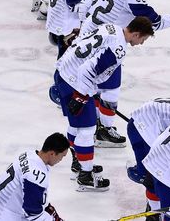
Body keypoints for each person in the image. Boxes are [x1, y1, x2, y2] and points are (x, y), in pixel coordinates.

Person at [78, 0, 170, 147]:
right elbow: (152, 22)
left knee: (95, 83)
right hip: (107, 43)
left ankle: (94, 121)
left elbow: (87, 2)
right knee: (111, 87)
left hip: (87, 35)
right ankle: (103, 130)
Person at [53, 16, 155, 192]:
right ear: (136, 34)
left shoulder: (111, 27)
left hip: (64, 71)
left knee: (75, 126)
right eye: (143, 39)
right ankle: (85, 175)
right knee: (87, 129)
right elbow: (88, 70)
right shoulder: (118, 49)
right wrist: (81, 96)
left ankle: (78, 162)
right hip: (75, 82)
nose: (142, 43)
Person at [0, 132, 70, 221]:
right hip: (1, 214)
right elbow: (33, 213)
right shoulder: (36, 176)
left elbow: (34, 197)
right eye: (62, 156)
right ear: (52, 154)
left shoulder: (30, 154)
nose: (61, 160)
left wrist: (47, 208)